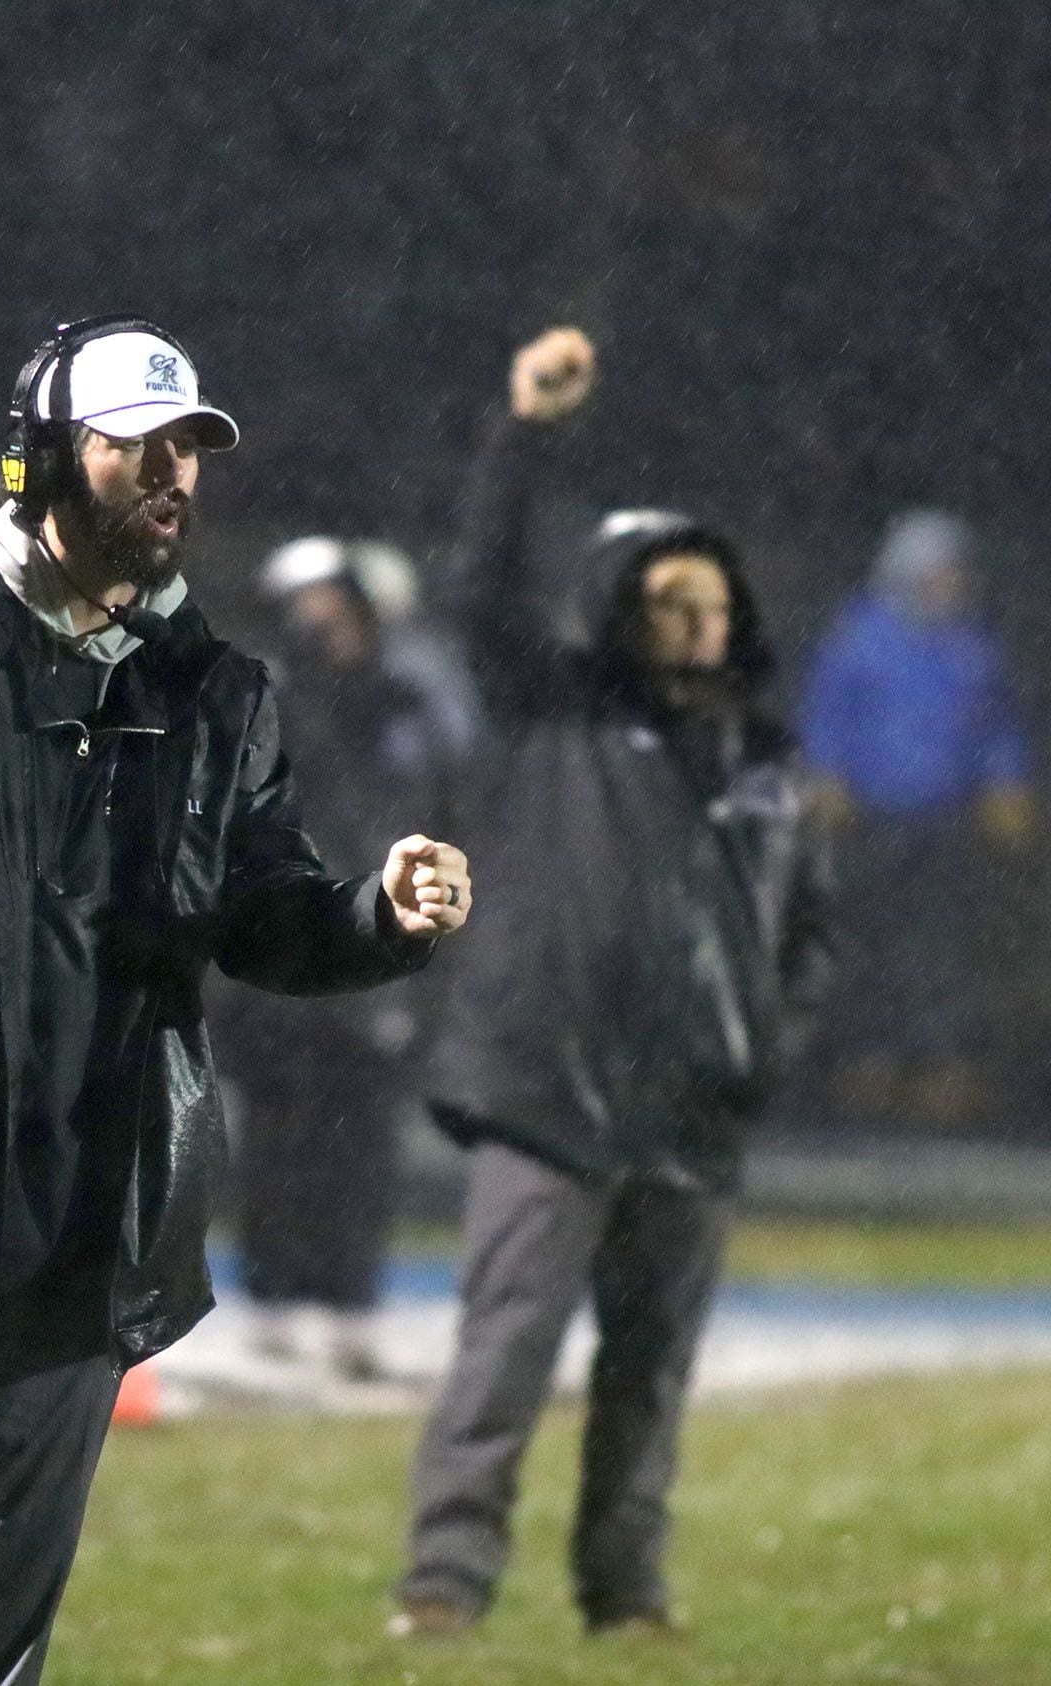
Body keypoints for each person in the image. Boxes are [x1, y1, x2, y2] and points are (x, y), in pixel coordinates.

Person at [0, 315, 469, 1684]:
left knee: (14, 1575)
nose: (173, 477)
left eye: (190, 450)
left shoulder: (215, 688)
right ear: (47, 459)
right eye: (139, 446)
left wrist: (376, 914)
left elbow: (263, 911)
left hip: (95, 1181)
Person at [395, 328, 834, 1638]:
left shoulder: (768, 762)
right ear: (617, 609)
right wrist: (524, 434)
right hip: (550, 1088)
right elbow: (481, 590)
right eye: (666, 602)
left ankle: (626, 1597)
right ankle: (443, 1586)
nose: (695, 624)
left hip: (692, 1105)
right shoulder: (556, 713)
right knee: (504, 1357)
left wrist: (764, 1046)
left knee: (652, 1377)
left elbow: (808, 931)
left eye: (710, 602)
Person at [213, 536, 465, 1381]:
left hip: (368, 937)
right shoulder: (260, 703)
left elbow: (434, 800)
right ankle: (276, 1295)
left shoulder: (402, 705)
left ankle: (348, 1299)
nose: (326, 633)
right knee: (277, 1137)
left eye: (340, 616)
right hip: (279, 947)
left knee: (358, 1139)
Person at [798, 508, 1031, 1124]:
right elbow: (828, 717)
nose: (949, 586)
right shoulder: (861, 638)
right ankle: (866, 1060)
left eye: (955, 575)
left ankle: (938, 1062)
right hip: (871, 821)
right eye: (937, 574)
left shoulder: (970, 648)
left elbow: (995, 729)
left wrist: (1006, 786)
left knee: (940, 947)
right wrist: (826, 777)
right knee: (866, 939)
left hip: (943, 821)